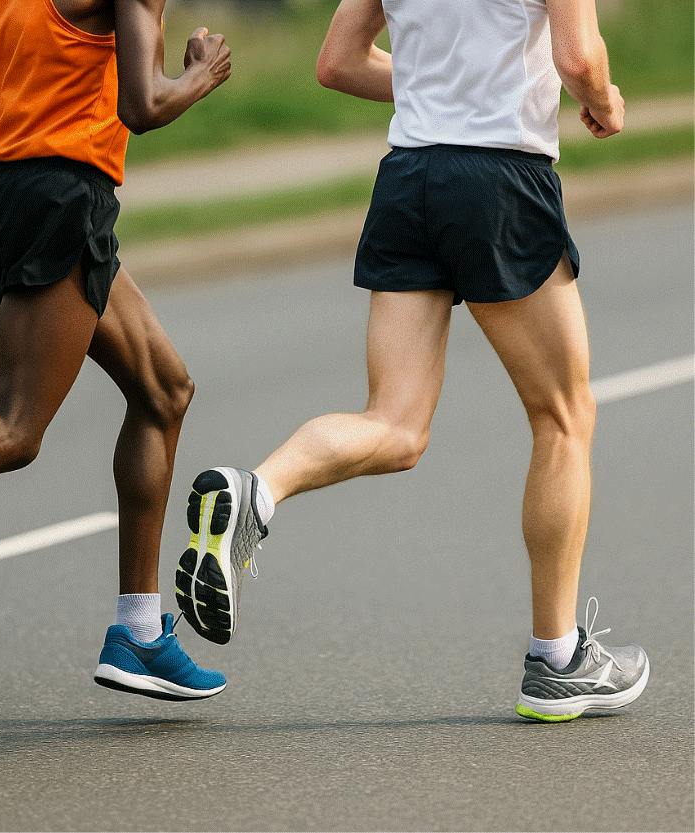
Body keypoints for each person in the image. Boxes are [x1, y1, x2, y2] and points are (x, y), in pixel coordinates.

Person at [174, 0, 650, 721]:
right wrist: (607, 102)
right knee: (563, 415)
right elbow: (579, 59)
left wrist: (439, 85)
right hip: (499, 177)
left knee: (393, 425)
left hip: (409, 178)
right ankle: (558, 659)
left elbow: (336, 61)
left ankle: (255, 493)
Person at [0, 0, 232, 701]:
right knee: (12, 427)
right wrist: (201, 76)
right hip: (63, 196)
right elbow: (144, 105)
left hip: (3, 193)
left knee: (164, 389)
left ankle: (140, 633)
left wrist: (7, 115)